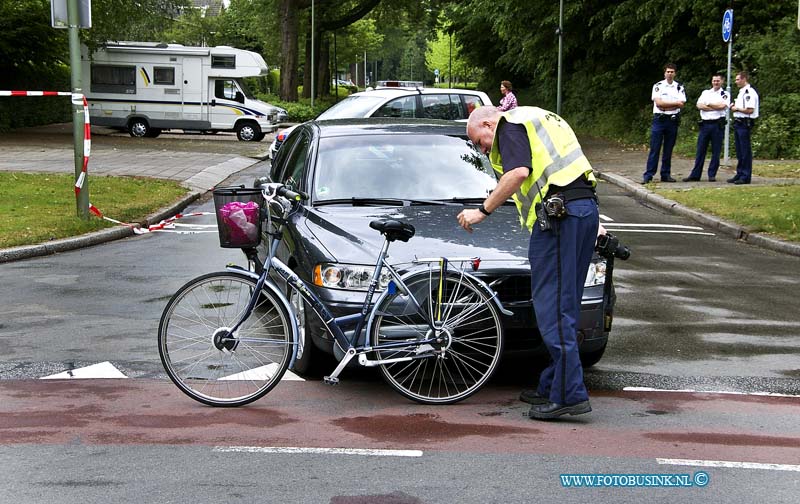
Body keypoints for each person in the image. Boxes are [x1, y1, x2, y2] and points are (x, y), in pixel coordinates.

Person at [458, 106, 599, 421]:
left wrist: (482, 210)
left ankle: (568, 395)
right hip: (582, 210)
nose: (482, 149)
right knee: (566, 306)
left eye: (478, 140)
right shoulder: (544, 118)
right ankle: (553, 383)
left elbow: (519, 172)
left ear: (487, 122)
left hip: (560, 219)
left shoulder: (510, 124)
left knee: (552, 307)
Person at [642, 63, 686, 184]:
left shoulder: (679, 87)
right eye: (668, 72)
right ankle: (649, 174)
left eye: (672, 72)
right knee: (655, 148)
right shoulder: (658, 86)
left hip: (672, 120)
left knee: (668, 149)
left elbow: (682, 104)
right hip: (659, 120)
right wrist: (674, 104)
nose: (670, 74)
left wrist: (667, 105)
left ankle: (665, 174)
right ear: (664, 73)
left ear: (675, 73)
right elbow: (659, 104)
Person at [683, 74, 728, 182]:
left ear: (722, 82)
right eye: (714, 80)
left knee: (716, 151)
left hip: (717, 125)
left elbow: (722, 106)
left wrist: (707, 104)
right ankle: (695, 175)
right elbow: (699, 105)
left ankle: (711, 174)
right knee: (700, 150)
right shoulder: (706, 93)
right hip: (705, 125)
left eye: (718, 81)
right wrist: (713, 106)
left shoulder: (725, 94)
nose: (715, 83)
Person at [728, 71, 760, 185]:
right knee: (739, 150)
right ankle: (740, 173)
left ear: (744, 79)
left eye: (737, 79)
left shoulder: (749, 92)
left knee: (745, 150)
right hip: (738, 122)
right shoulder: (741, 92)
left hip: (744, 123)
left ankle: (746, 175)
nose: (736, 82)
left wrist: (736, 108)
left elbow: (750, 109)